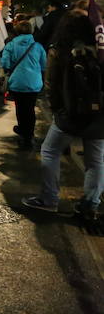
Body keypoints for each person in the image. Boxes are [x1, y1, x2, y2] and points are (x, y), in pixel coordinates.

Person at [23, 12, 103, 217]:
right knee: (95, 161)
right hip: (98, 114)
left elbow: (51, 85)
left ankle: (49, 199)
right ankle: (91, 204)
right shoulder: (99, 50)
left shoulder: (59, 50)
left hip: (69, 113)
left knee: (50, 151)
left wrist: (57, 110)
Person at [1, 21, 46, 150]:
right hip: (33, 83)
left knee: (20, 108)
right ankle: (29, 135)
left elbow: (5, 63)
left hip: (17, 82)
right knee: (30, 109)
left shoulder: (10, 45)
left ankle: (22, 132)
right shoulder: (37, 46)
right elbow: (44, 65)